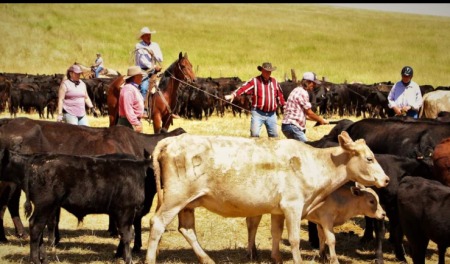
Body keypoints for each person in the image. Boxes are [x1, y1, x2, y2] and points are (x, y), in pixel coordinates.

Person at [226, 62, 285, 137]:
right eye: (266, 71)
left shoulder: (274, 82)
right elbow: (243, 88)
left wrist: (284, 106)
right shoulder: (255, 81)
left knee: (274, 136)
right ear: (262, 71)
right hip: (258, 113)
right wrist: (233, 95)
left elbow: (280, 95)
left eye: (269, 71)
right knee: (254, 135)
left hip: (271, 114)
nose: (268, 73)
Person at [281, 72, 329, 142]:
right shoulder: (303, 93)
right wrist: (320, 120)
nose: (315, 85)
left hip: (289, 126)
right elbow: (309, 113)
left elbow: (306, 116)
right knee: (307, 148)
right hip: (293, 126)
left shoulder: (296, 90)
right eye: (313, 83)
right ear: (307, 82)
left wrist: (321, 120)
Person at [134, 26, 163, 116]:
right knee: (144, 87)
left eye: (149, 35)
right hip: (144, 70)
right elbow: (142, 61)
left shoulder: (155, 45)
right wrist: (154, 66)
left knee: (163, 86)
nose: (148, 36)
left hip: (155, 70)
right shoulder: (139, 46)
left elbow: (161, 58)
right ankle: (143, 109)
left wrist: (154, 55)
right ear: (142, 37)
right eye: (146, 35)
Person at [117, 65, 145, 133]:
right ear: (136, 77)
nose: (142, 77)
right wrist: (136, 123)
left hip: (131, 122)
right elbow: (128, 109)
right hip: (128, 123)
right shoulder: (128, 89)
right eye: (140, 76)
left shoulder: (132, 88)